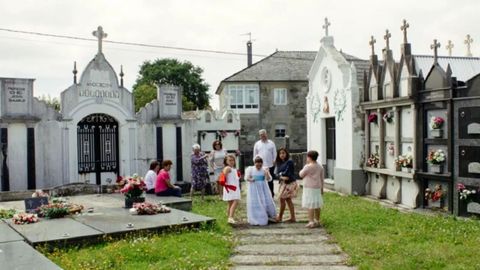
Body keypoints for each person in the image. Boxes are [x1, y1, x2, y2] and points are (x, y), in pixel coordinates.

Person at [246, 156, 277, 226]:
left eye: (260, 164)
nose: (258, 166)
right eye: (257, 164)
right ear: (254, 163)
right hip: (254, 187)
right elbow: (247, 178)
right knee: (256, 201)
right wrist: (251, 180)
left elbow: (269, 179)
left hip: (263, 187)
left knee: (264, 201)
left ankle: (268, 216)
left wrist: (267, 173)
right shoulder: (250, 169)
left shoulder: (264, 169)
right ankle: (256, 217)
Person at [299, 150, 324, 228]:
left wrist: (305, 166)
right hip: (317, 187)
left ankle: (311, 221)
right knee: (317, 204)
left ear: (309, 157)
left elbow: (301, 175)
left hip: (309, 187)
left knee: (310, 204)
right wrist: (322, 188)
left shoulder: (308, 166)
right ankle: (317, 220)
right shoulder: (320, 166)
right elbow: (322, 178)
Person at [274, 148, 298, 223]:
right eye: (280, 153)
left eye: (283, 153)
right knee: (287, 200)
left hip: (289, 183)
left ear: (286, 153)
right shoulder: (279, 163)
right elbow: (276, 174)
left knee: (284, 199)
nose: (282, 155)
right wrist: (280, 176)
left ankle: (280, 217)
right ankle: (292, 217)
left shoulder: (289, 162)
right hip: (283, 183)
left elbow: (287, 174)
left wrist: (280, 175)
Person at [253, 129, 277, 197]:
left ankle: (271, 194)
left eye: (264, 134)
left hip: (270, 165)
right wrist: (255, 163)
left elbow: (274, 153)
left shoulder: (271, 143)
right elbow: (255, 155)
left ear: (266, 134)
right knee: (261, 180)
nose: (263, 136)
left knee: (270, 180)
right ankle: (262, 194)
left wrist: (274, 160)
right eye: (261, 135)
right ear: (259, 136)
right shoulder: (257, 144)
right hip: (260, 166)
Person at [222, 154, 241, 224]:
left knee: (230, 204)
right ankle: (230, 217)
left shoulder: (233, 169)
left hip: (234, 187)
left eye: (233, 160)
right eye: (229, 160)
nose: (232, 162)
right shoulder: (228, 168)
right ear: (226, 161)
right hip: (231, 187)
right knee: (235, 201)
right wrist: (226, 184)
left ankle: (229, 217)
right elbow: (223, 177)